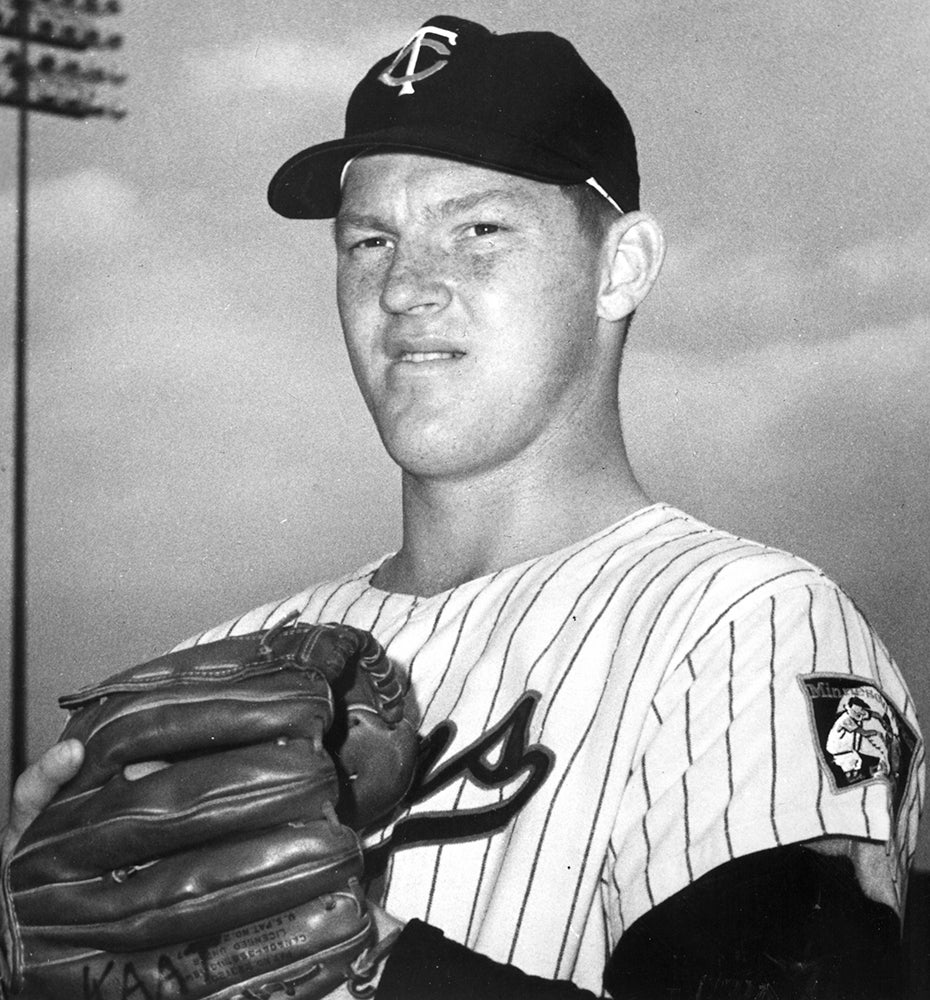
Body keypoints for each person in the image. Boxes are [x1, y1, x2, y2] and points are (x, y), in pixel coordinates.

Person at [3, 15, 924, 1000]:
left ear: (621, 267)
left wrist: (377, 967)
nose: (404, 287)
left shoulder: (746, 626)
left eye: (478, 229)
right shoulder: (229, 657)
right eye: (370, 240)